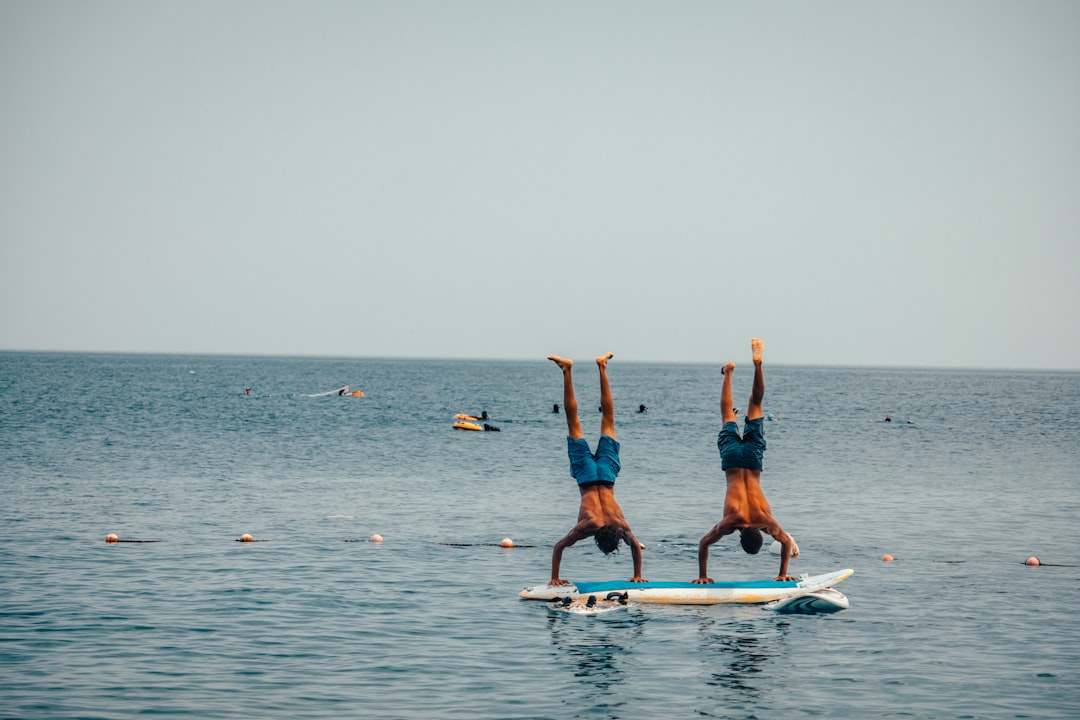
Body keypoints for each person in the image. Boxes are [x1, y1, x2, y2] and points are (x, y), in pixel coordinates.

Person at [694, 338, 798, 583]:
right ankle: (728, 373)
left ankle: (757, 366)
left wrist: (783, 573)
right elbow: (703, 544)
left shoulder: (766, 520)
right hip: (731, 461)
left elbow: (785, 541)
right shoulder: (731, 523)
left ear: (761, 534)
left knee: (756, 404)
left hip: (753, 461)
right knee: (726, 417)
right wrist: (703, 577)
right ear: (740, 537)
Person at [547, 352, 646, 586]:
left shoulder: (620, 524)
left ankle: (602, 367)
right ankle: (567, 370)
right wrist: (554, 578)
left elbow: (635, 547)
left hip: (607, 474)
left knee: (608, 420)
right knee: (574, 422)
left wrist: (638, 574)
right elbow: (559, 547)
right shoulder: (588, 526)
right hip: (585, 476)